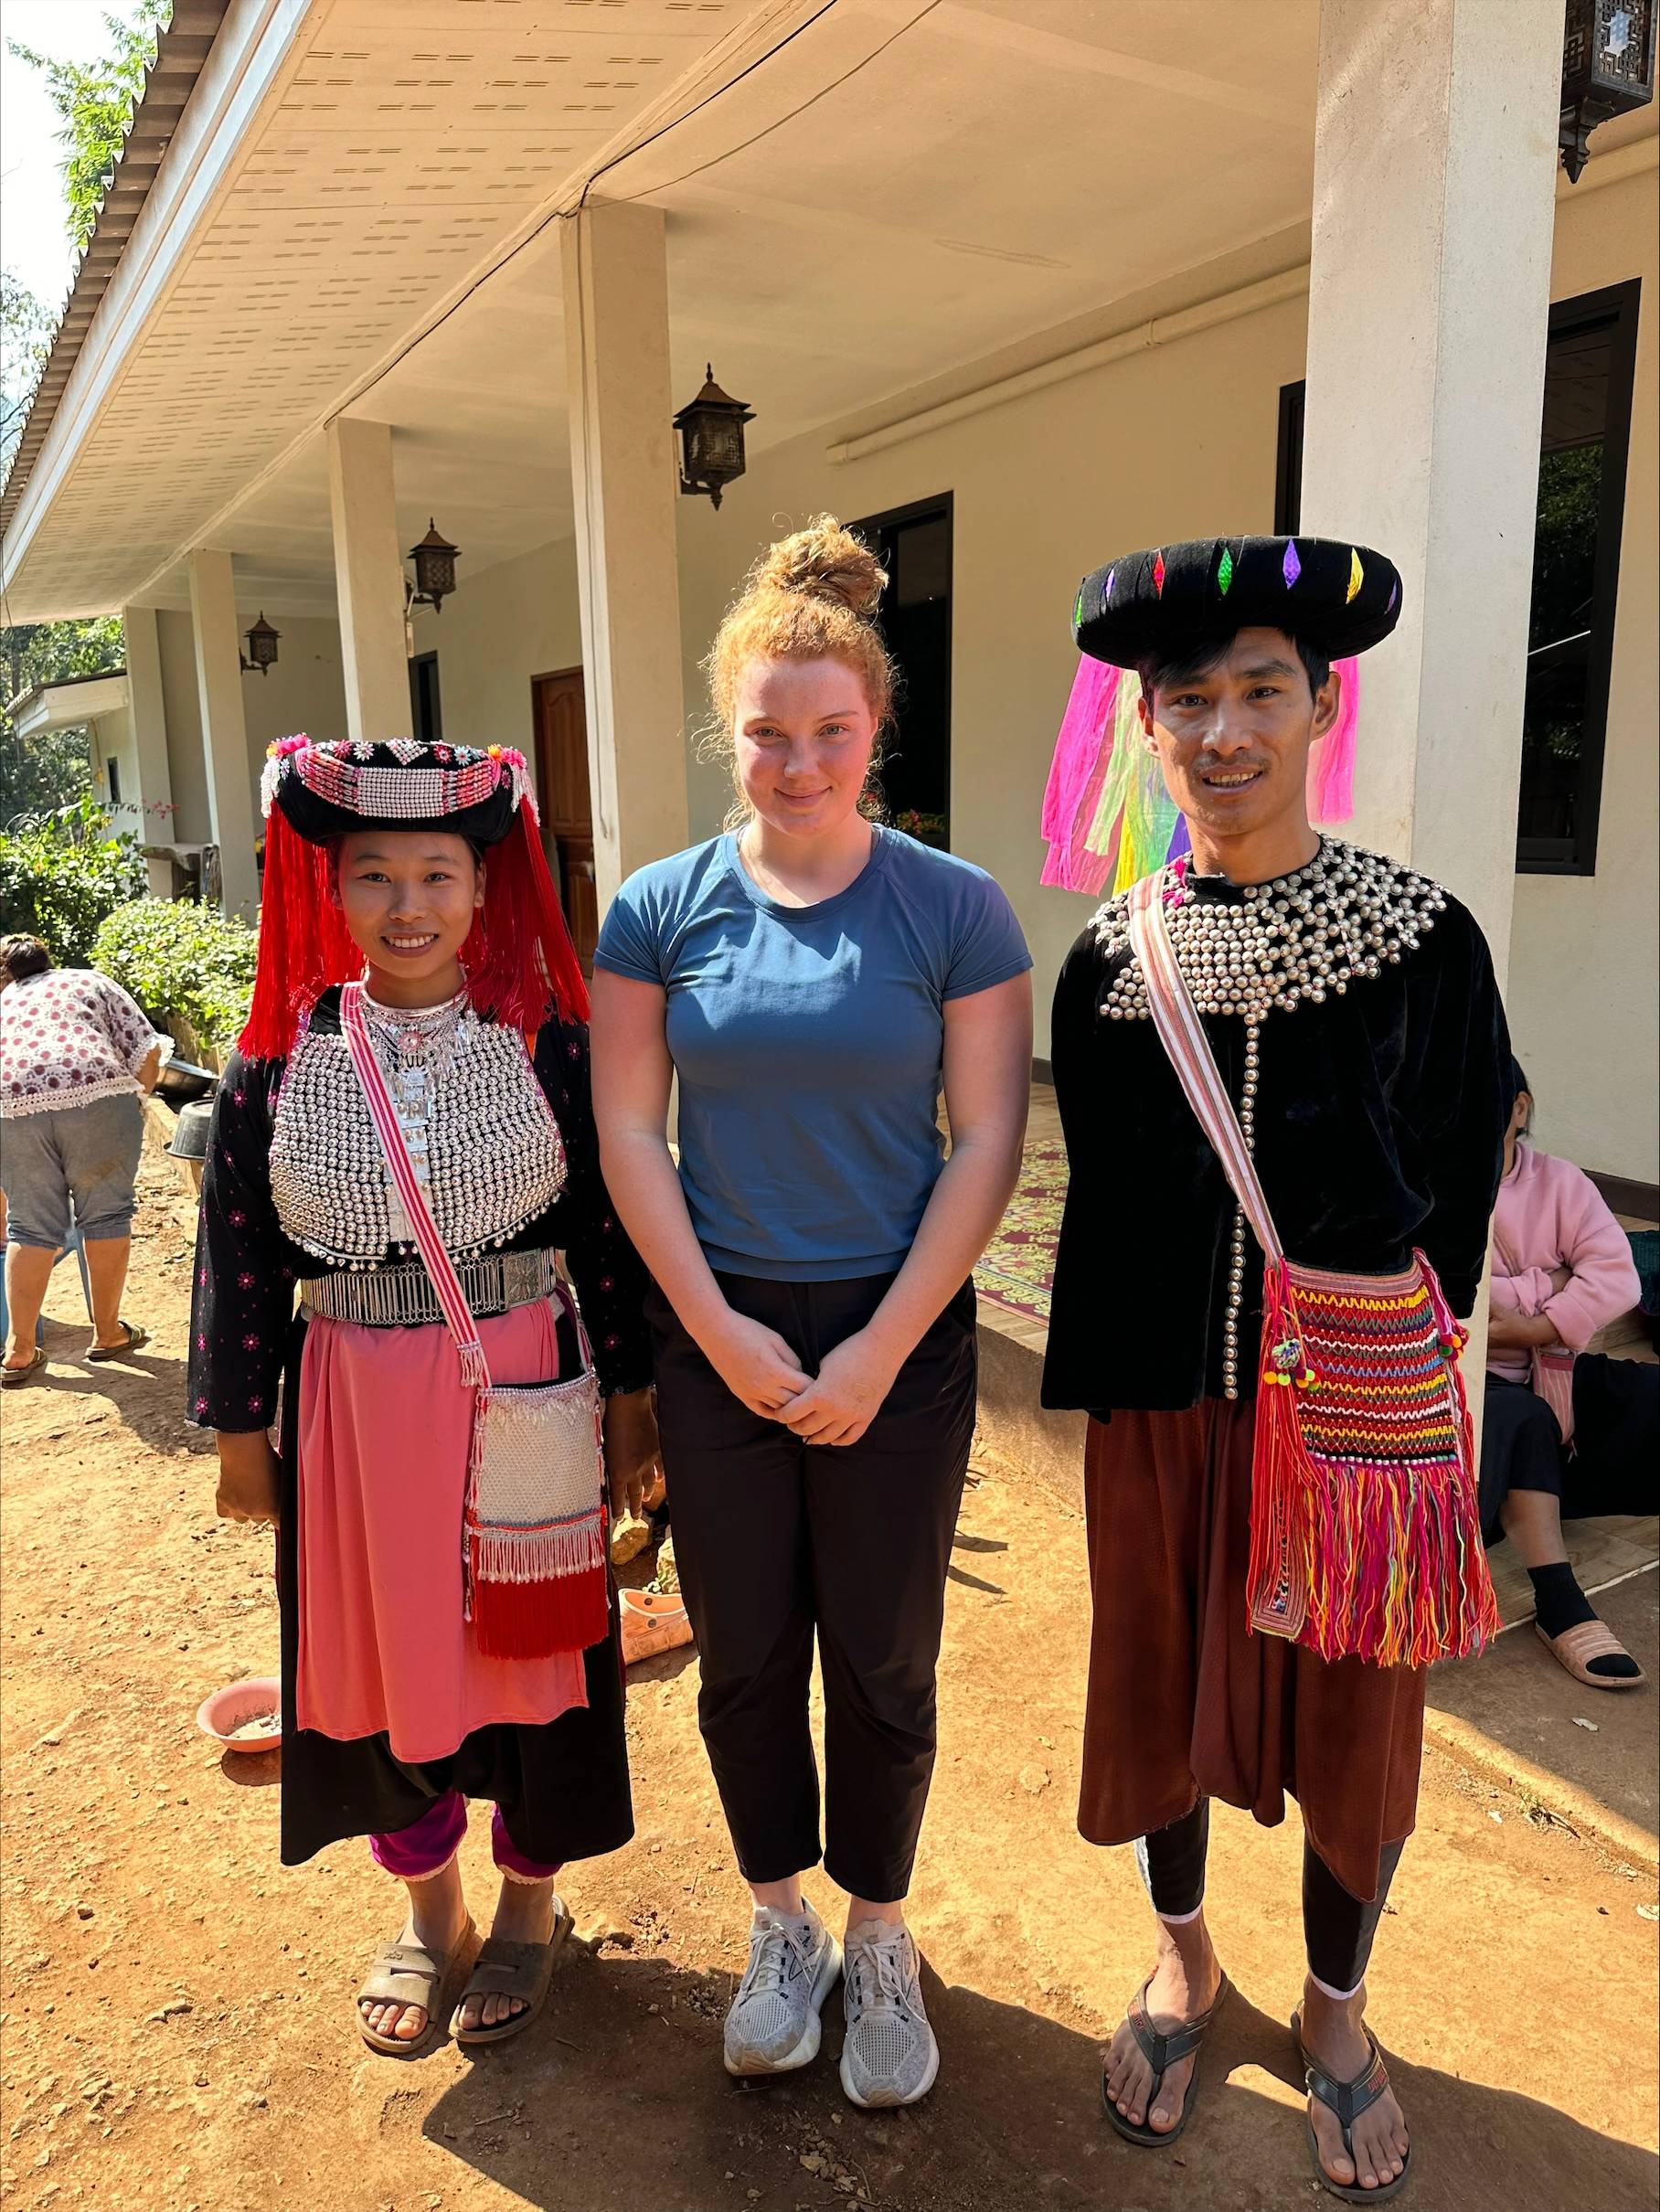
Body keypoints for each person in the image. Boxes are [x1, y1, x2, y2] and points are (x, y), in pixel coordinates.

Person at [1041, 537, 1511, 2201]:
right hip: (1166, 1403)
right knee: (1163, 1688)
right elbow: (1100, 1192)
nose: (1224, 728)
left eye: (1260, 691)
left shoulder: (1423, 938)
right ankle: (1184, 1963)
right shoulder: (1108, 963)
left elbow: (1459, 1172)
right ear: (1147, 731)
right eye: (1189, 700)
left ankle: (1333, 2011)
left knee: (1358, 1722)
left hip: (1360, 1420)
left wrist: (1394, 1356)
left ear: (1320, 706)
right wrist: (1127, 1381)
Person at [591, 519, 1032, 2110]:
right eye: (768, 733)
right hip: (718, 1328)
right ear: (732, 725)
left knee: (888, 1657)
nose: (797, 763)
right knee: (744, 1653)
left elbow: (986, 1138)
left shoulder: (954, 907)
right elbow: (632, 1131)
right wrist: (714, 1334)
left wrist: (877, 1347)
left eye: (829, 733)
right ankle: (781, 1922)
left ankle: (882, 1932)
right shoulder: (659, 908)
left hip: (893, 1329)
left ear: (875, 729)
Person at [188, 736, 659, 2056]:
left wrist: (630, 1407)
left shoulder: (547, 1048)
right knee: (383, 1668)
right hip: (352, 1418)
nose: (408, 905)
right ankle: (428, 1910)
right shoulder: (278, 1062)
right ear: (325, 892)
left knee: (535, 1656)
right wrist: (240, 1439)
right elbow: (236, 1250)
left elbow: (607, 1233)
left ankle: (525, 1907)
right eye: (375, 876)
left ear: (484, 887)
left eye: (438, 874)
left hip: (528, 1400)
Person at [1484, 1058, 1653, 1688]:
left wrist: (1530, 1321)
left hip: (1552, 1363)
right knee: (1520, 1417)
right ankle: (1558, 1602)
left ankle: (1541, 1497)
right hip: (1457, 1386)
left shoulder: (1560, 1182)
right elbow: (1443, 1298)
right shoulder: (1419, 1188)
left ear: (1519, 1109)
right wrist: (1550, 1284)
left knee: (1644, 1399)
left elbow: (1617, 1276)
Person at [1, 931, 168, 1385]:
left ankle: (18, 1348)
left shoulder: (3, 1004)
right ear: (46, 959)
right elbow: (147, 1047)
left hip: (12, 1107)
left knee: (29, 1225)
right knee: (106, 1214)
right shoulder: (88, 980)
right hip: (95, 1096)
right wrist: (139, 1095)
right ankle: (108, 1332)